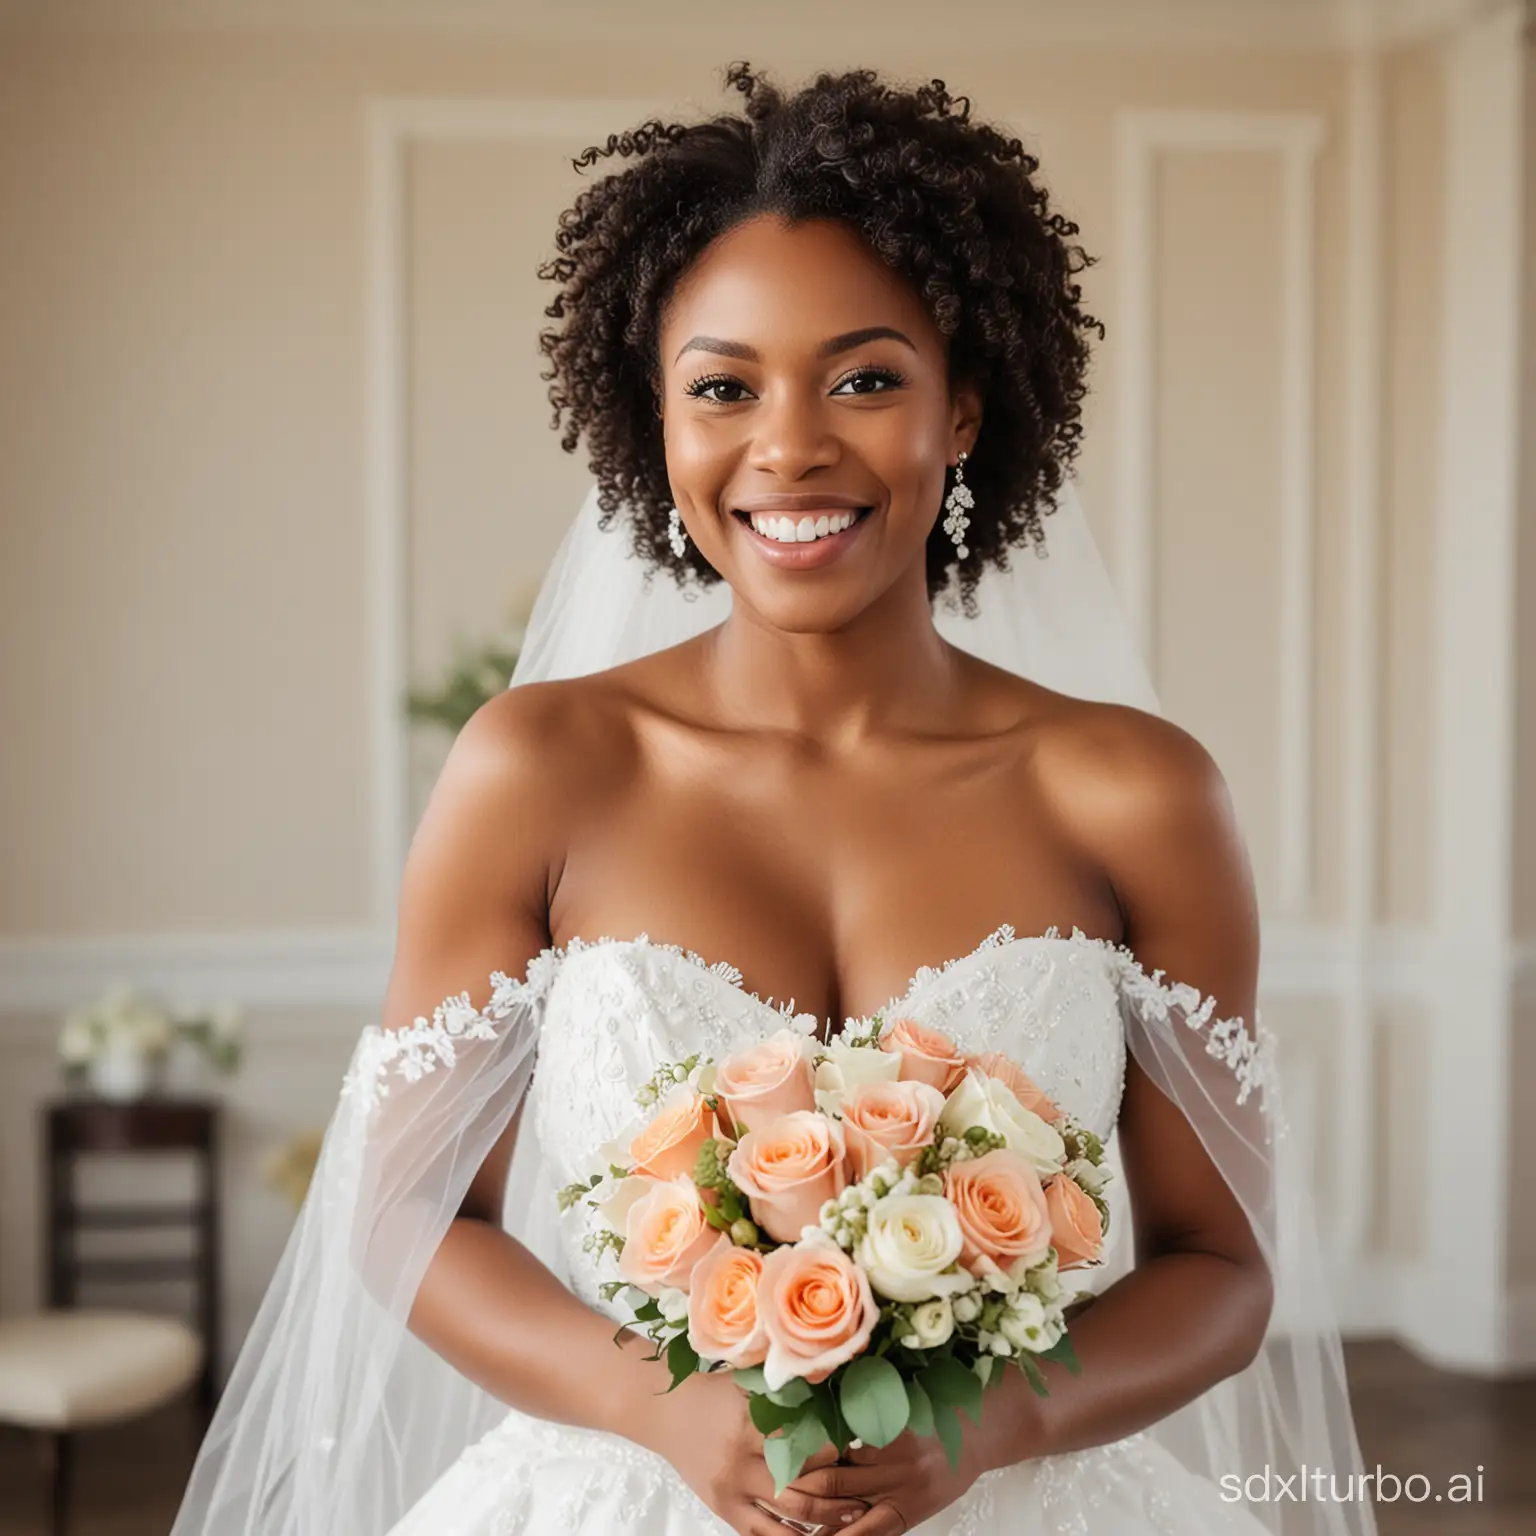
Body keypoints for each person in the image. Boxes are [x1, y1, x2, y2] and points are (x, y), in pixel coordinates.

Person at [171, 65, 1374, 1536]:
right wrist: (654, 1402)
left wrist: (988, 1428)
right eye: (723, 387)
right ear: (656, 423)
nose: (789, 445)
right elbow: (408, 1222)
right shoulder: (539, 769)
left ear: (966, 407)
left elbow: (1222, 1268)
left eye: (865, 378)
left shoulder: (1133, 791)